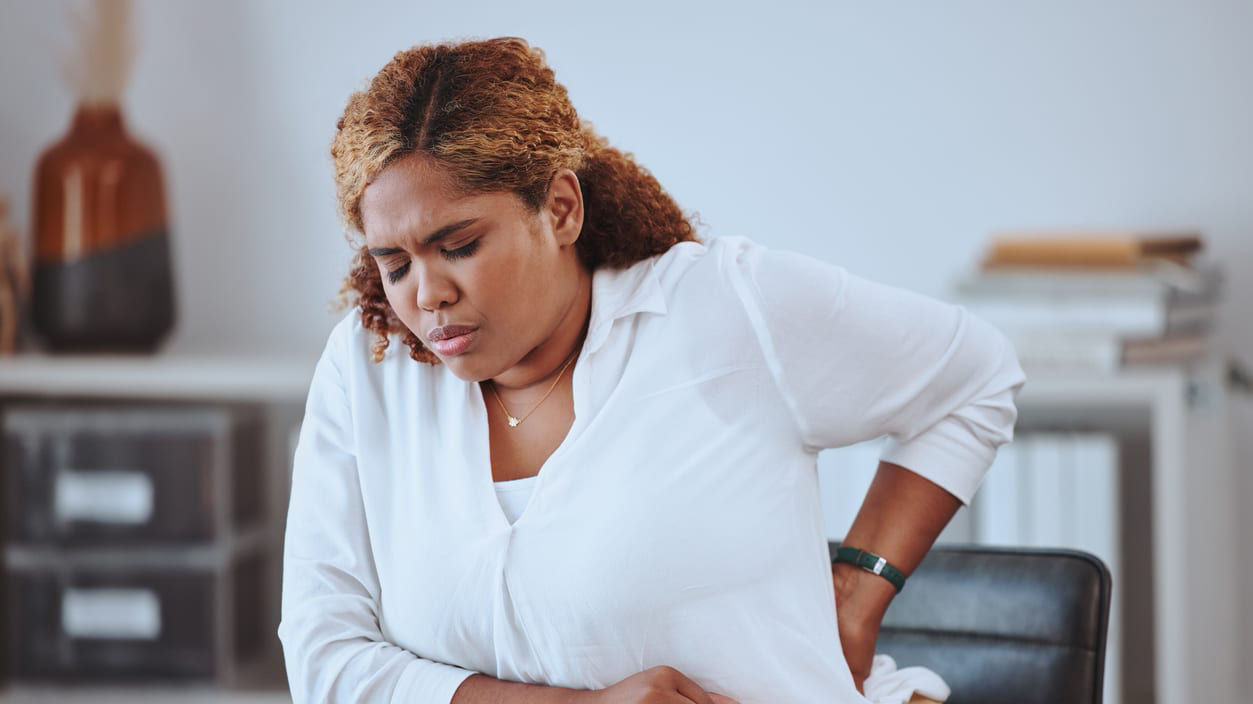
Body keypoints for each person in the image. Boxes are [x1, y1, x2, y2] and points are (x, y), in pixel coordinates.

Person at [278, 36, 1025, 704]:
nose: (428, 294)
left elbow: (975, 375)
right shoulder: (366, 367)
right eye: (394, 262)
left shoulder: (723, 311)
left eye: (461, 245)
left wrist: (858, 589)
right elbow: (325, 658)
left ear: (561, 208)